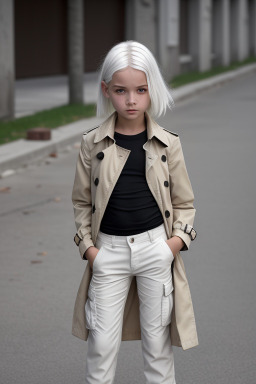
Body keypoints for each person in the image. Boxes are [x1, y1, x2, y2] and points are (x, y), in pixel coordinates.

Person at [71, 41, 198, 384]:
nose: (131, 100)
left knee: (158, 349)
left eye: (140, 90)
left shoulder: (168, 143)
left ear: (151, 89)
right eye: (121, 90)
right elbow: (82, 202)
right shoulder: (92, 143)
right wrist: (91, 251)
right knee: (101, 347)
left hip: (155, 249)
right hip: (107, 253)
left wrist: (171, 246)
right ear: (106, 91)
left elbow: (185, 203)